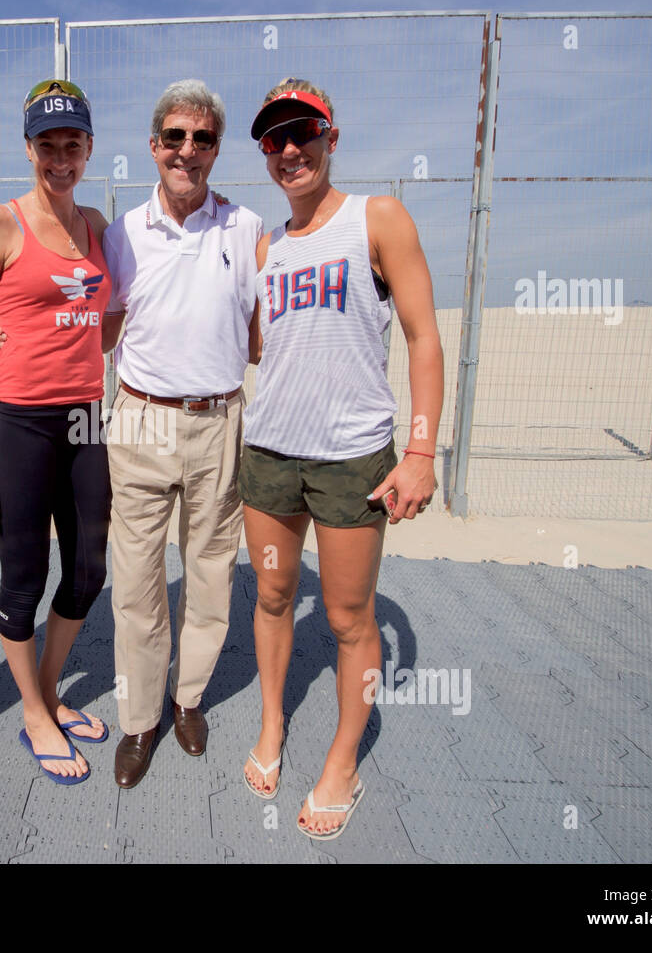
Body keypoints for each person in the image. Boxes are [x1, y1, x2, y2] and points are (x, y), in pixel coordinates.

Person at [239, 79, 443, 841]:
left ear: (330, 135)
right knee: (270, 596)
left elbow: (424, 336)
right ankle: (271, 726)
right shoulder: (270, 245)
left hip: (352, 459)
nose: (289, 149)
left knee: (348, 615)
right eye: (273, 139)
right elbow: (266, 346)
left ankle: (344, 760)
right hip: (269, 455)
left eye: (303, 132)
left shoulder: (376, 218)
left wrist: (420, 450)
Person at [100, 79, 263, 788]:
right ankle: (140, 719)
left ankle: (188, 698)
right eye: (175, 137)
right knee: (136, 582)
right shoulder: (121, 233)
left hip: (220, 421)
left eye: (201, 139)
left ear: (217, 149)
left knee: (210, 572)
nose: (187, 151)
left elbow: (259, 338)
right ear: (154, 145)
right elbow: (98, 327)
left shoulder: (248, 228)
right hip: (139, 420)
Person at [0, 79, 112, 785]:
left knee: (87, 570)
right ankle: (33, 712)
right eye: (47, 144)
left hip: (85, 417)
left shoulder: (100, 226)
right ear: (28, 149)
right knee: (24, 578)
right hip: (17, 423)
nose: (60, 157)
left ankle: (46, 690)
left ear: (88, 149)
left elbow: (111, 319)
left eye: (71, 144)